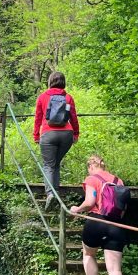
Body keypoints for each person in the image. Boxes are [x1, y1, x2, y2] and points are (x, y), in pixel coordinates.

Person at [69, 155, 128, 275]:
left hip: (96, 222)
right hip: (116, 225)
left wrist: (76, 209)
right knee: (115, 269)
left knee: (88, 253)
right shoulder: (119, 181)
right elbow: (122, 209)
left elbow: (90, 202)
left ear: (91, 167)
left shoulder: (92, 179)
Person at [32, 71, 79, 209]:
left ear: (50, 81)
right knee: (56, 163)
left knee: (48, 165)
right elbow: (73, 117)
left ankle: (50, 194)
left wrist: (36, 135)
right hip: (66, 135)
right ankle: (56, 193)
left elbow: (38, 118)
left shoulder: (42, 97)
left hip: (48, 134)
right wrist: (76, 134)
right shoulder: (68, 97)